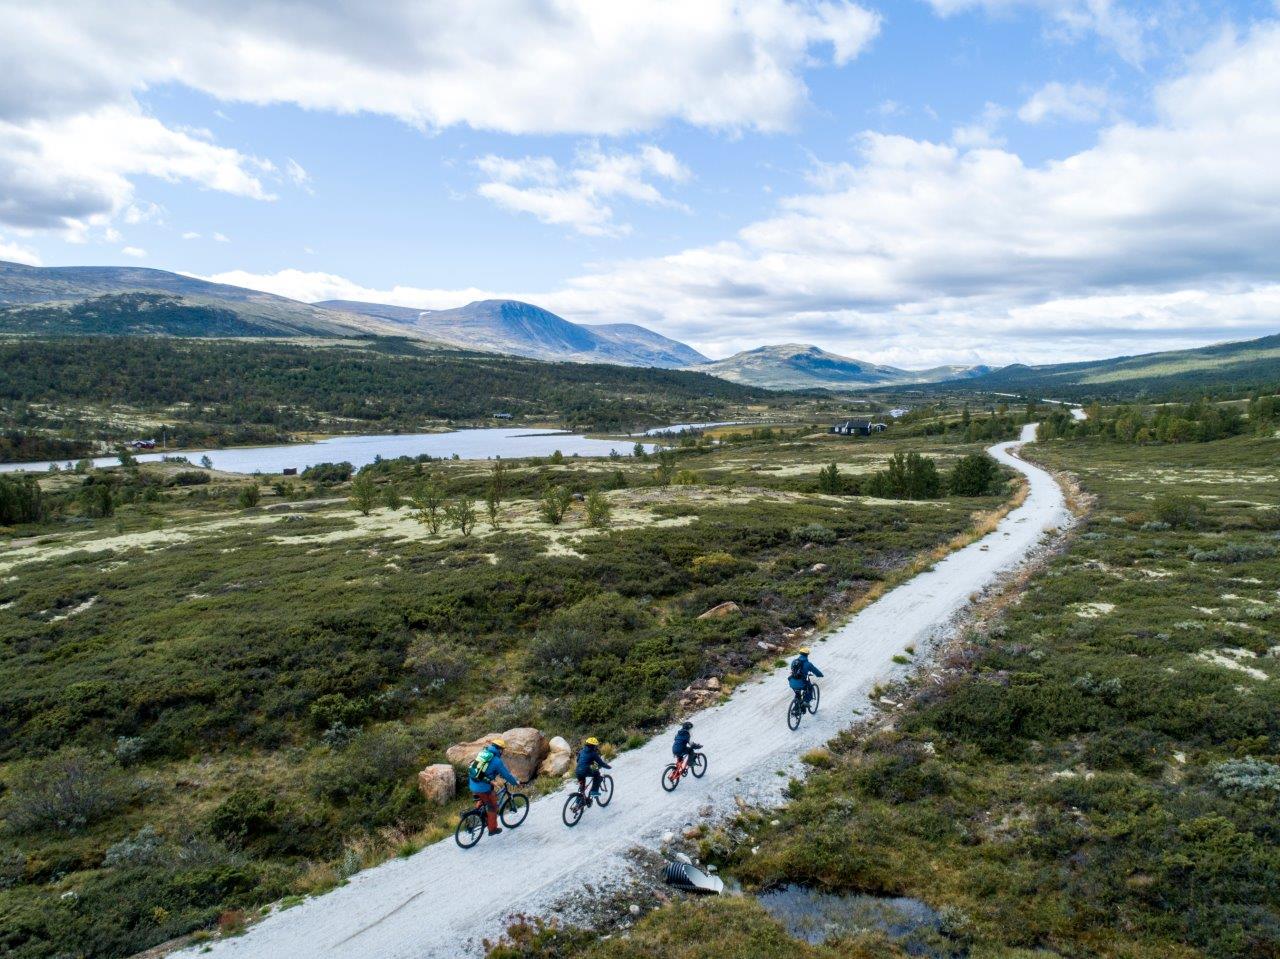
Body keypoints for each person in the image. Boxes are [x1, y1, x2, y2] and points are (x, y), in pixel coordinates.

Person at [467, 738, 520, 835]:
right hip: (482, 787)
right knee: (492, 806)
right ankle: (492, 829)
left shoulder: (484, 752)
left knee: (488, 796)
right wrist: (515, 782)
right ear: (500, 749)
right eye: (502, 750)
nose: (502, 752)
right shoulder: (496, 761)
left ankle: (478, 812)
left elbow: (483, 769)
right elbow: (507, 775)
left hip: (472, 782)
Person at [575, 736, 611, 806]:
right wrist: (608, 767)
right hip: (585, 770)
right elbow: (601, 763)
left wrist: (589, 762)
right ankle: (594, 792)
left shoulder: (581, 751)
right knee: (597, 775)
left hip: (577, 771)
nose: (596, 747)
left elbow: (577, 760)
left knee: (582, 787)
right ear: (593, 746)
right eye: (595, 746)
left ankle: (578, 803)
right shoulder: (593, 753)